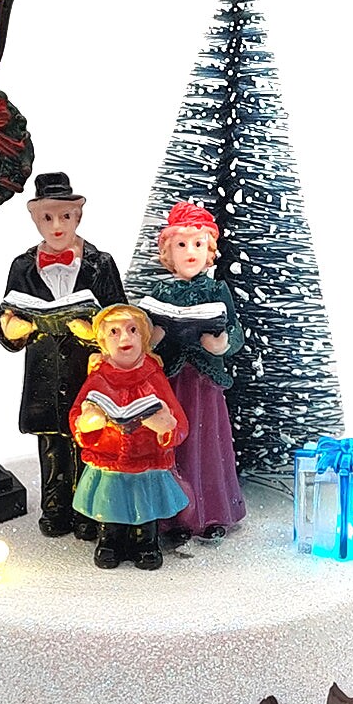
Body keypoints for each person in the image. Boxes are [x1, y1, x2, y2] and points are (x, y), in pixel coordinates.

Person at [0, 172, 125, 538]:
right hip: (45, 372)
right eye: (48, 217)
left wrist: (94, 333)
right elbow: (7, 320)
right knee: (51, 443)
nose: (57, 226)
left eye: (65, 216)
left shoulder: (101, 263)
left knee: (90, 440)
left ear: (78, 217)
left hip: (88, 373)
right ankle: (55, 507)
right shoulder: (23, 266)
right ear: (35, 219)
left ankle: (88, 509)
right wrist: (14, 328)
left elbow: (123, 319)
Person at [145, 200, 246, 539]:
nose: (191, 252)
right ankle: (173, 518)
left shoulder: (217, 289)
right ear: (168, 251)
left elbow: (236, 332)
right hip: (170, 383)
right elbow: (142, 334)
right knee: (172, 444)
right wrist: (153, 338)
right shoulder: (160, 290)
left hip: (204, 382)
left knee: (207, 445)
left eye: (198, 244)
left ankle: (212, 513)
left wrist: (222, 344)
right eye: (182, 245)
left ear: (209, 250)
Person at [69, 305, 189, 570]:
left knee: (145, 507)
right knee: (110, 504)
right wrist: (87, 423)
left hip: (146, 461)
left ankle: (145, 543)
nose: (125, 338)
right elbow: (77, 412)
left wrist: (165, 426)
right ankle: (110, 541)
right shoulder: (98, 378)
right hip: (110, 460)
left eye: (132, 330)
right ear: (103, 341)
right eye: (114, 332)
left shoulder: (153, 377)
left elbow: (180, 423)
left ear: (143, 338)